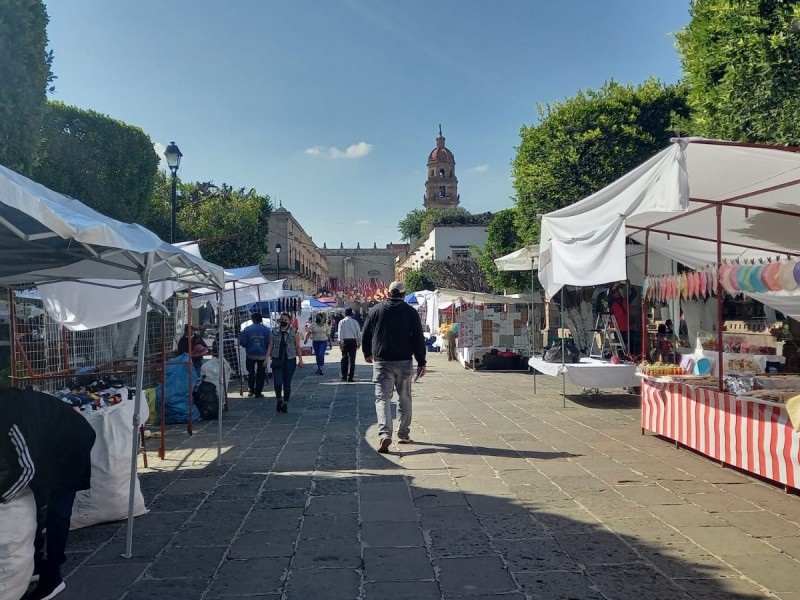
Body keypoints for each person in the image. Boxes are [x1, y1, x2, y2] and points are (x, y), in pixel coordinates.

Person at [0, 389, 96, 600]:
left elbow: (26, 470)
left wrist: (2, 496)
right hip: (45, 441)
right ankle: (34, 563)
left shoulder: (11, 421)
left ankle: (53, 575)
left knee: (57, 511)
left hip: (71, 441)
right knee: (36, 502)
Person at [361, 280, 426, 454]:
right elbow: (418, 338)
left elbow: (366, 333)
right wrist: (421, 361)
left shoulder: (376, 310)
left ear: (388, 293)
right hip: (404, 361)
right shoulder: (410, 312)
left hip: (382, 361)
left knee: (382, 398)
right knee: (405, 398)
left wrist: (367, 353)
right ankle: (403, 433)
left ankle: (384, 434)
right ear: (404, 295)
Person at [267, 312, 304, 413]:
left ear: (290, 321)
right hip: (277, 359)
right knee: (278, 382)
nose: (283, 322)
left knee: (287, 383)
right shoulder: (274, 332)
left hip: (290, 359)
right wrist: (266, 359)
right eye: (281, 320)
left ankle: (285, 403)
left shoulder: (294, 332)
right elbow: (271, 345)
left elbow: (297, 346)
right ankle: (279, 399)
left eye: (285, 320)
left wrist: (300, 359)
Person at [239, 312, 271, 398]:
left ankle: (251, 390)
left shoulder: (247, 329)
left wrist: (247, 346)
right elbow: (269, 343)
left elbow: (242, 342)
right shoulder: (266, 330)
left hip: (250, 354)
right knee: (261, 374)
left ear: (252, 319)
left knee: (251, 373)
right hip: (262, 355)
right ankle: (258, 392)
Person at [337, 307, 362, 382]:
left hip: (345, 341)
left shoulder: (342, 322)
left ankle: (344, 376)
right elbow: (358, 332)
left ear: (345, 313)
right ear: (351, 313)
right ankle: (351, 376)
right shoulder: (355, 322)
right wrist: (359, 342)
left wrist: (340, 342)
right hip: (353, 341)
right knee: (352, 359)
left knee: (344, 359)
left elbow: (340, 332)